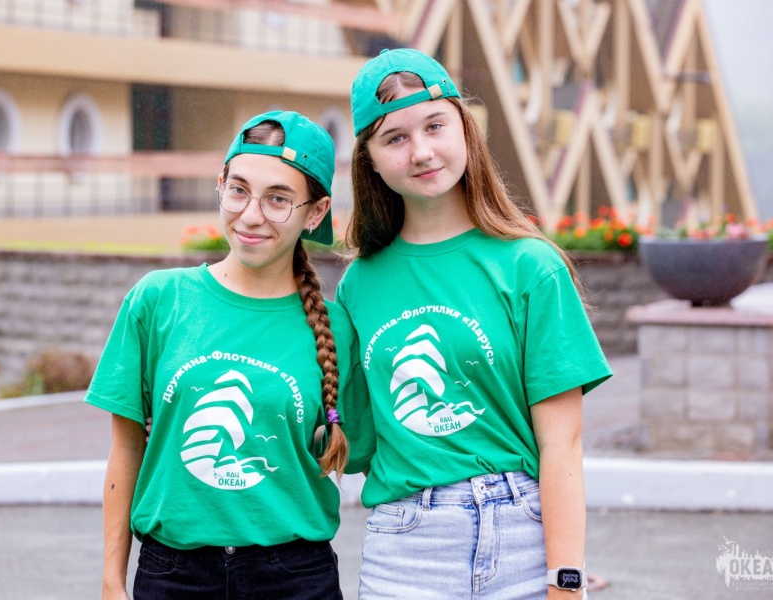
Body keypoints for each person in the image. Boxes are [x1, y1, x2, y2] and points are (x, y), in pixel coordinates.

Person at [336, 48, 613, 599]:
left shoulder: (531, 266)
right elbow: (357, 443)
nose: (421, 151)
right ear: (369, 161)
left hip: (523, 541)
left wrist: (566, 582)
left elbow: (562, 445)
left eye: (435, 126)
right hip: (405, 551)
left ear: (465, 128)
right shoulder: (358, 286)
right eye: (395, 138)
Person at [85, 110, 373, 600]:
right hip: (172, 576)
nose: (251, 215)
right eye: (239, 190)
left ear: (316, 212)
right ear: (220, 186)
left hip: (294, 579)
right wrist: (112, 580)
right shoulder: (159, 300)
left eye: (278, 198)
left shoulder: (337, 328)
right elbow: (127, 449)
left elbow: (367, 452)